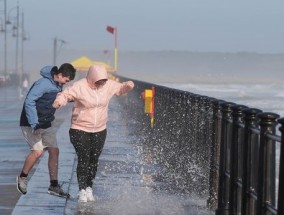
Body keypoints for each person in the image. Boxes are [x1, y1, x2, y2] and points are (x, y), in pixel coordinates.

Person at [52, 64, 134, 202]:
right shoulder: (80, 86)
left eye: (104, 80)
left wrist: (128, 85)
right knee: (84, 158)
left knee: (93, 159)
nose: (102, 83)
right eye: (99, 80)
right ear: (92, 78)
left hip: (100, 129)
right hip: (79, 128)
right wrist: (59, 101)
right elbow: (65, 94)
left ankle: (89, 188)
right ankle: (82, 190)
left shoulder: (107, 85)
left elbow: (120, 88)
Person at [17, 63, 76, 198]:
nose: (66, 83)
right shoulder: (43, 83)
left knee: (54, 151)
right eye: (66, 80)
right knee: (37, 152)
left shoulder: (58, 84)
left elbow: (56, 99)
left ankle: (53, 185)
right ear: (60, 75)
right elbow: (29, 101)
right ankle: (22, 177)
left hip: (46, 123)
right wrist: (34, 123)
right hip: (31, 123)